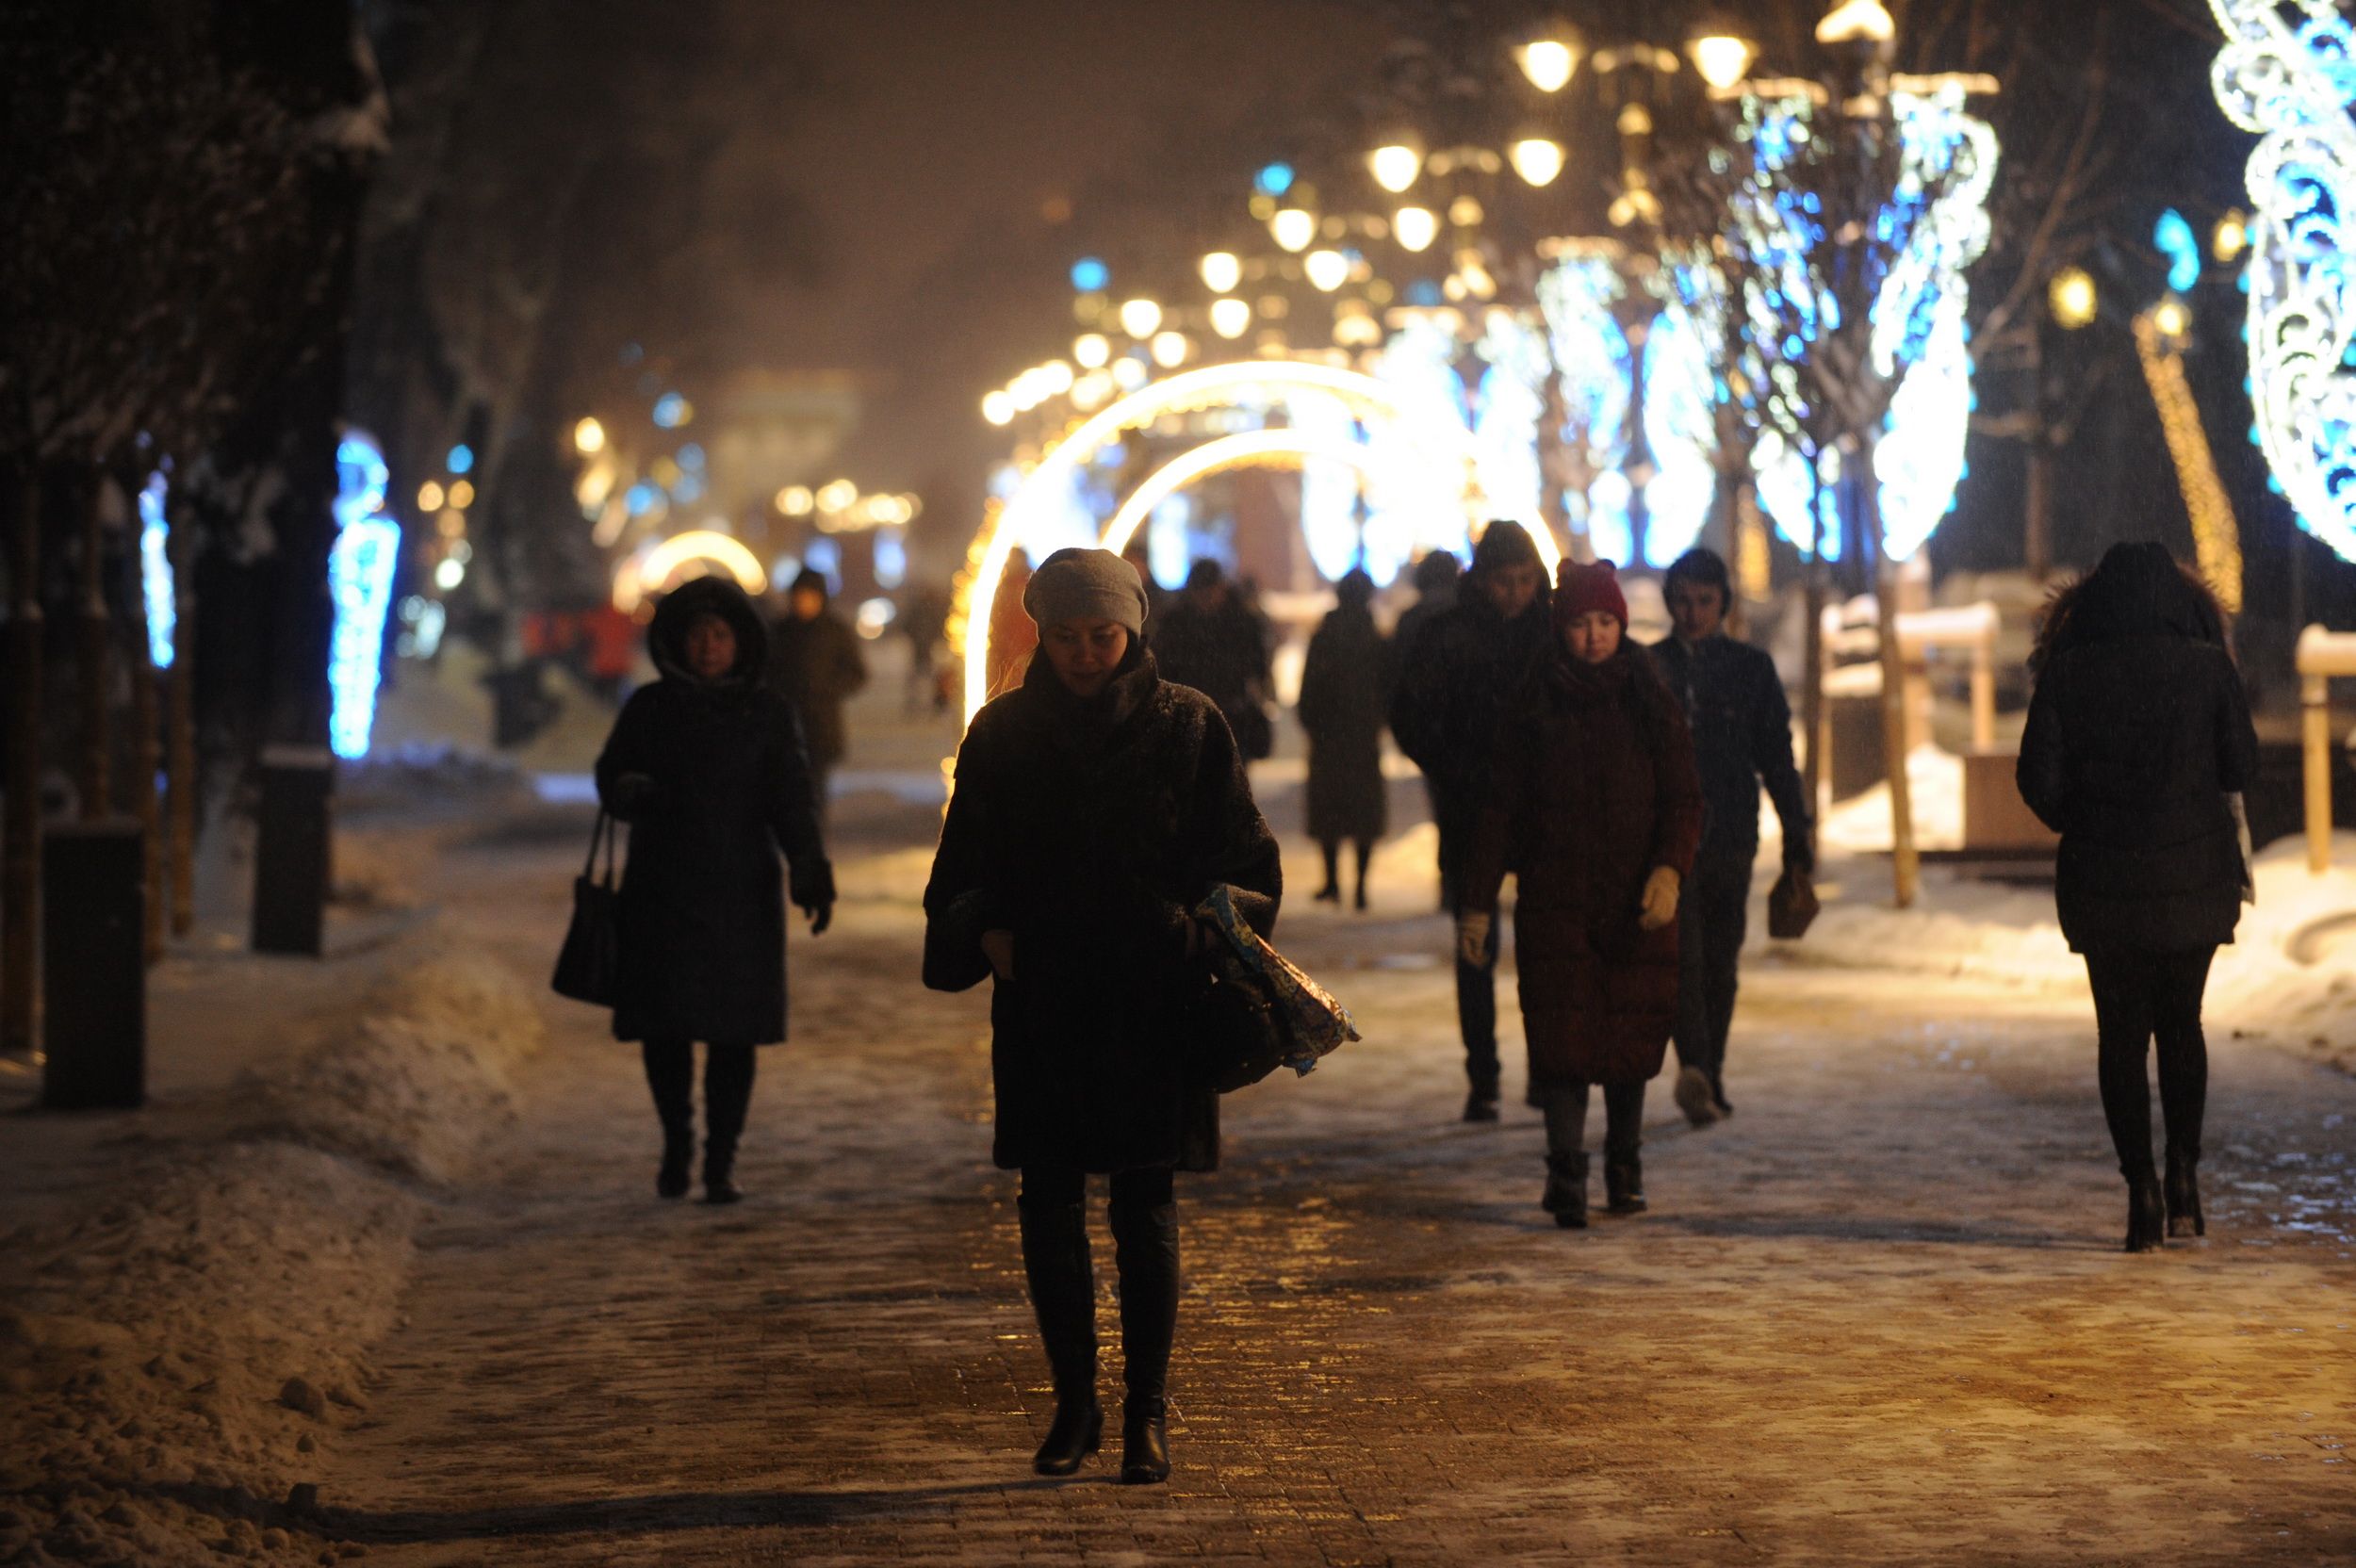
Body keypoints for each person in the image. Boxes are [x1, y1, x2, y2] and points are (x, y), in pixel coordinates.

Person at [923, 547, 1282, 1485]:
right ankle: (1074, 1401)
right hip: (1044, 1002)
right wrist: (985, 931)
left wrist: (1193, 933)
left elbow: (1247, 869)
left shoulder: (1189, 727)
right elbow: (958, 872)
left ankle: (1146, 1412)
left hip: (1151, 1004)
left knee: (1144, 1200)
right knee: (1047, 1201)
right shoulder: (1002, 734)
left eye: (1103, 634)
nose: (1085, 653)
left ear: (1134, 631)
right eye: (1069, 635)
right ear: (1043, 631)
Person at [2017, 542, 2255, 1252]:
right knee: (2184, 1026)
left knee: (2120, 1036)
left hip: (2104, 881)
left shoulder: (2069, 672)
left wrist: (2080, 819)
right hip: (2194, 878)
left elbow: (2037, 779)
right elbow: (2241, 764)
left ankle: (2140, 1190)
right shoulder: (2209, 667)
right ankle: (2185, 1181)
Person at [1462, 560, 1701, 1227]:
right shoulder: (1532, 701)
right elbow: (1499, 810)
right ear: (1560, 627)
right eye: (1579, 624)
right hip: (1555, 902)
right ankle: (1565, 1171)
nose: (1594, 637)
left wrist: (1668, 871)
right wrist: (1477, 901)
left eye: (1605, 623)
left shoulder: (1648, 699)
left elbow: (1685, 798)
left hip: (1635, 905)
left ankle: (1625, 1164)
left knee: (1627, 1043)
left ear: (1621, 625)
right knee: (1562, 1042)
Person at [595, 577, 836, 1204]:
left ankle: (721, 1159)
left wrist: (809, 867)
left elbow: (792, 798)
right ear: (678, 640)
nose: (708, 646)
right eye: (698, 634)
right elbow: (611, 773)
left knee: (736, 1031)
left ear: (740, 642)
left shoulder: (767, 712)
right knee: (666, 1028)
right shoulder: (649, 708)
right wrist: (628, 791)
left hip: (739, 892)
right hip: (662, 890)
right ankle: (678, 1142)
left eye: (721, 634)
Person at [1388, 524, 1552, 1120]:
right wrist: (1453, 766)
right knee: (1476, 942)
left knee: (1543, 948)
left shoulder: (1551, 634)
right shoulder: (1448, 635)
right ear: (1481, 582)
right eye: (1503, 583)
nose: (1514, 594)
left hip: (1538, 812)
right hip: (1471, 809)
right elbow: (1409, 712)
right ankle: (1483, 1077)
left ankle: (1544, 1070)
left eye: (1524, 582)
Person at [1649, 547, 1813, 1127]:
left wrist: (1798, 835)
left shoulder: (1749, 670)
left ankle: (1709, 1071)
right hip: (1667, 842)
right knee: (1682, 958)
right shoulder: (1650, 669)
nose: (1692, 612)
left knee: (1720, 959)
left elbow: (1777, 756)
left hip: (1731, 835)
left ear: (1724, 604)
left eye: (1705, 601)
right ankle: (1696, 1066)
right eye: (1683, 600)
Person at [1297, 569, 1390, 910]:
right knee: (1363, 814)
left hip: (1329, 737)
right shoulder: (1373, 637)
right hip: (1362, 737)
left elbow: (1309, 689)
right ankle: (1361, 886)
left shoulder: (1324, 636)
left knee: (1330, 813)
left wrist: (1313, 722)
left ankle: (1333, 881)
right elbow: (1386, 688)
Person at [765, 568, 869, 810]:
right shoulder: (780, 631)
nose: (803, 602)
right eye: (799, 596)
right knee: (785, 787)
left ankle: (815, 835)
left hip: (821, 724)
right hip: (785, 721)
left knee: (815, 787)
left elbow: (857, 673)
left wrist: (827, 689)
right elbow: (766, 671)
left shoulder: (835, 631)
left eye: (809, 596)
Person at [1153, 560, 1273, 760]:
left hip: (1229, 714)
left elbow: (1257, 664)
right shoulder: (1177, 623)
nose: (1206, 599)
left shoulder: (1240, 620)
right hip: (1196, 715)